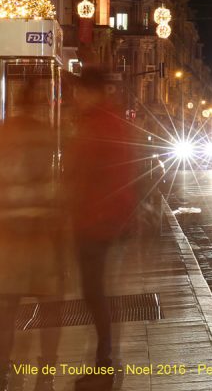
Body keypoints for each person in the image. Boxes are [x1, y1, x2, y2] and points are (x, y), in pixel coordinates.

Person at [64, 68, 140, 383]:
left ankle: (104, 360)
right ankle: (104, 356)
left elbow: (80, 174)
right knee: (97, 291)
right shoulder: (112, 122)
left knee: (93, 291)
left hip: (96, 219)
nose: (77, 97)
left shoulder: (95, 125)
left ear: (92, 92)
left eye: (81, 91)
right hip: (110, 217)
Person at [0, 81, 64, 390]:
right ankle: (46, 372)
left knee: (6, 308)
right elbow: (57, 187)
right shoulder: (46, 136)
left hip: (9, 235)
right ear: (37, 104)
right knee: (51, 306)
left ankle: (2, 367)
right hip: (41, 234)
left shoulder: (4, 135)